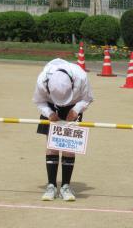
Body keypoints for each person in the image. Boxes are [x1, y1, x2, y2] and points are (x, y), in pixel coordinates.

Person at [33, 58, 94, 201]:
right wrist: (49, 113)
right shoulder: (42, 79)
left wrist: (77, 110)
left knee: (69, 146)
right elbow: (38, 101)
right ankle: (51, 186)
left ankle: (66, 186)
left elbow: (88, 98)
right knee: (52, 146)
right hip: (49, 105)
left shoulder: (81, 76)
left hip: (73, 106)